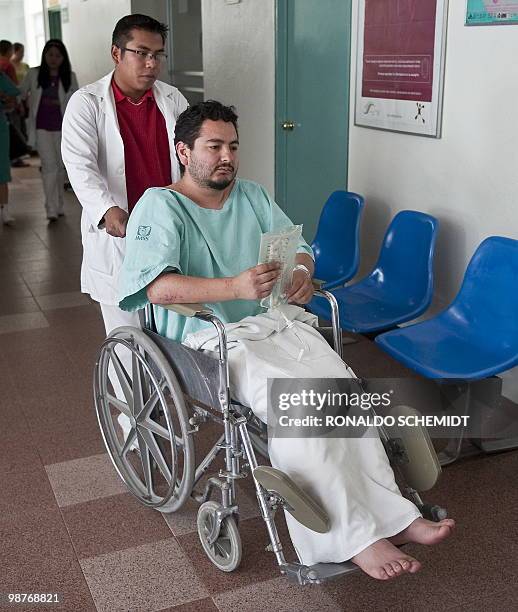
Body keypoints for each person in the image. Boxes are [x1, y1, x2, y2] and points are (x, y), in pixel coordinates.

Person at [118, 101, 455, 581]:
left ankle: (396, 517)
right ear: (183, 151)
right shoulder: (160, 205)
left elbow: (299, 247)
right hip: (209, 338)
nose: (226, 157)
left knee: (344, 394)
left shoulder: (252, 196)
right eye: (213, 146)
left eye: (232, 146)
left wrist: (301, 271)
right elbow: (159, 288)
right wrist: (234, 288)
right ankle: (350, 537)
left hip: (273, 322)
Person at [61, 12, 188, 348]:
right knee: (128, 338)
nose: (151, 63)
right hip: (121, 232)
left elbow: (190, 155)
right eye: (141, 53)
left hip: (167, 228)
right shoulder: (87, 104)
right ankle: (131, 401)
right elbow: (79, 166)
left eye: (158, 55)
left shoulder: (172, 100)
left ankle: (165, 398)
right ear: (116, 53)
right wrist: (107, 210)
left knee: (172, 332)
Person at [19, 40, 78, 221]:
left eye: (57, 56)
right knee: (49, 167)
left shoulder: (70, 76)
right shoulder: (34, 74)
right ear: (45, 56)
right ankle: (50, 207)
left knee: (61, 167)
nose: (53, 59)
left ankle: (59, 204)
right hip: (41, 128)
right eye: (50, 55)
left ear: (63, 58)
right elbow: (20, 93)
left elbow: (77, 103)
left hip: (63, 130)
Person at [0, 71, 19, 225]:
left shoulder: (1, 77)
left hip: (0, 129)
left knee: (2, 170)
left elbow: (13, 101)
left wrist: (5, 97)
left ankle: (4, 209)